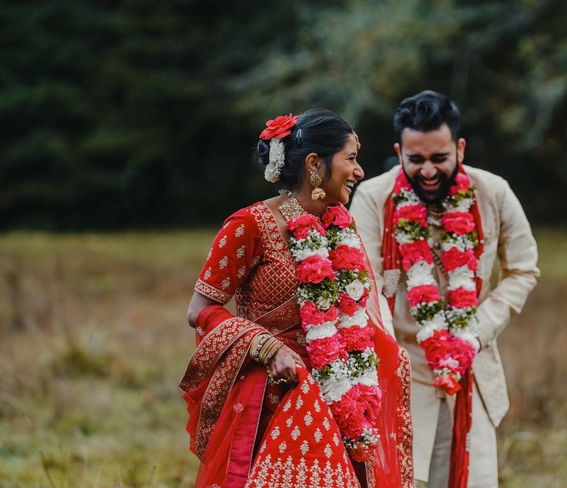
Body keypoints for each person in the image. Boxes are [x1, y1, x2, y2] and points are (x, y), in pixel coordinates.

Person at [180, 109, 413, 488]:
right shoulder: (250, 225)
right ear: (314, 164)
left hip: (339, 390)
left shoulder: (341, 225)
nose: (360, 171)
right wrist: (267, 348)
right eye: (351, 159)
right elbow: (200, 310)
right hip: (272, 396)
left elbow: (353, 314)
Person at [350, 91, 539, 488]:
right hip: (399, 372)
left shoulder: (495, 193)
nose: (429, 171)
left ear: (460, 147)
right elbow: (361, 286)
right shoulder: (372, 198)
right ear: (399, 150)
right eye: (416, 160)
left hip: (470, 366)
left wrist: (476, 330)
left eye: (440, 158)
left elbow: (523, 269)